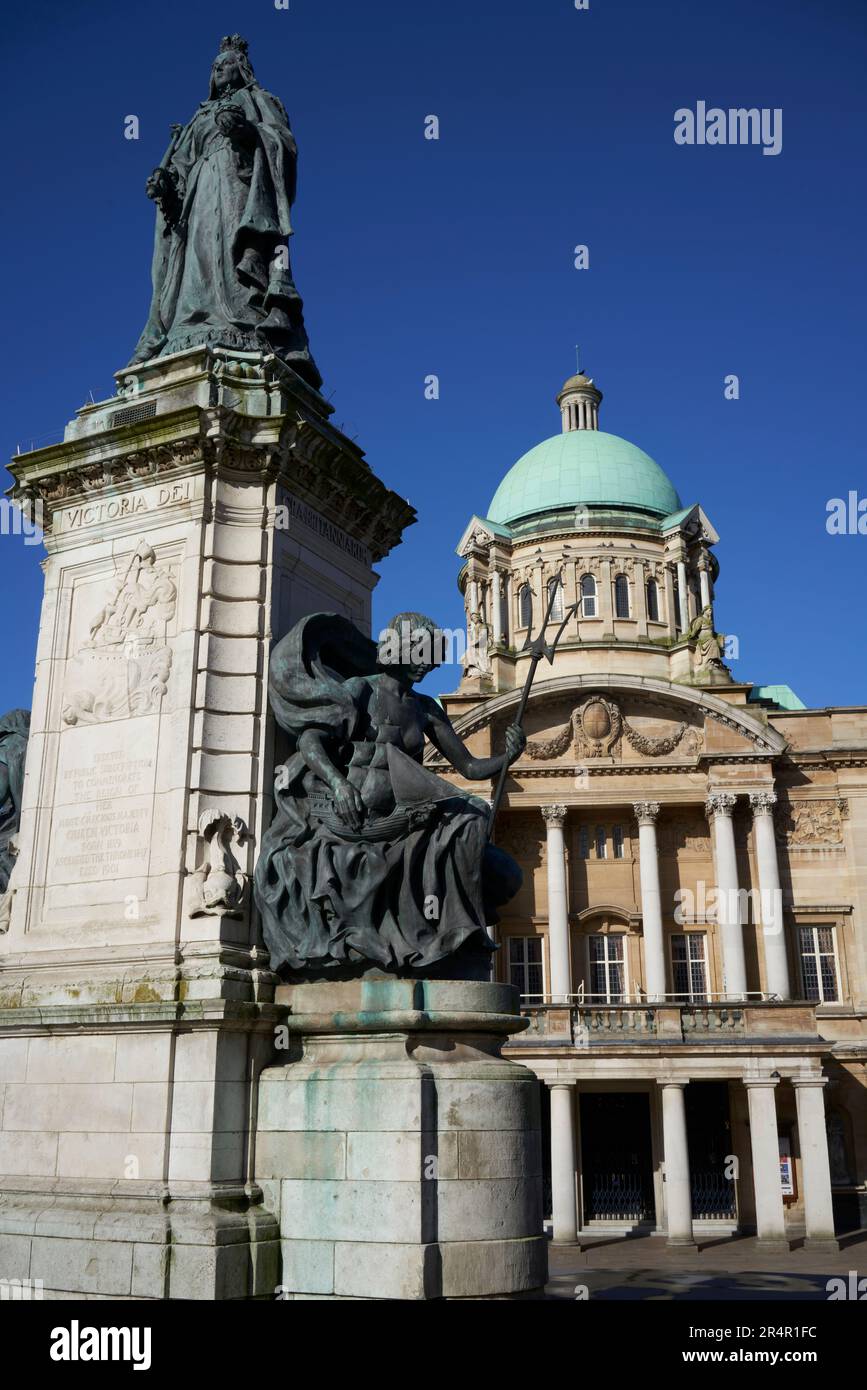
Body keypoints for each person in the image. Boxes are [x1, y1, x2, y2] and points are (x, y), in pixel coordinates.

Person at [254, 612, 525, 977]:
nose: (425, 668)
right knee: (458, 827)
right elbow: (310, 740)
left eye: (430, 660)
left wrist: (509, 756)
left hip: (401, 813)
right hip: (350, 814)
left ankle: (455, 938)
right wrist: (339, 783)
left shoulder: (425, 709)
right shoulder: (359, 690)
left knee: (472, 818)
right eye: (419, 656)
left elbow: (470, 768)